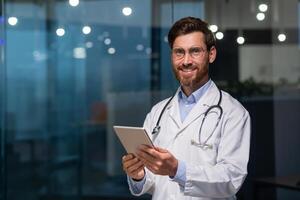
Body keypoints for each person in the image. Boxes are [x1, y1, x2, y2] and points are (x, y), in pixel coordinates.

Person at [122, 16, 251, 200]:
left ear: (211, 54)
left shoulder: (233, 112)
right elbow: (152, 180)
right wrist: (138, 175)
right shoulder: (158, 112)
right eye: (179, 52)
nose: (186, 61)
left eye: (195, 51)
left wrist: (176, 169)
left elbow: (231, 179)